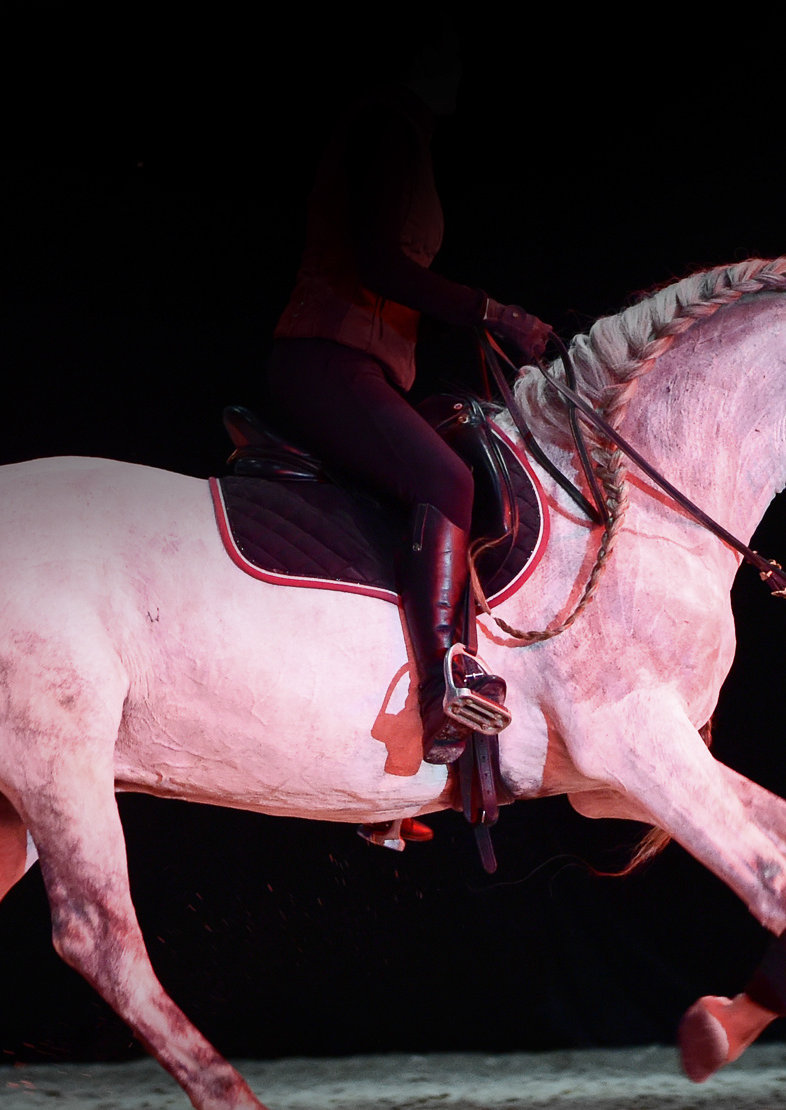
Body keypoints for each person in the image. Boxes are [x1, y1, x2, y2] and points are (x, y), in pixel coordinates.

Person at [269, 35, 551, 765]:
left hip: (369, 369)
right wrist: (494, 312)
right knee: (446, 479)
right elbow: (377, 261)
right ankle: (439, 692)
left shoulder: (409, 133)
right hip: (328, 358)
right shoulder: (389, 123)